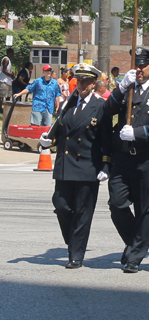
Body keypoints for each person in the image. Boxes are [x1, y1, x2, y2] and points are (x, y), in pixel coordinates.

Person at [103, 47, 149, 273]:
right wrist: (120, 87)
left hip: (146, 158)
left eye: (143, 65)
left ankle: (135, 256)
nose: (139, 69)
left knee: (145, 209)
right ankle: (135, 242)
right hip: (122, 158)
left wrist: (138, 133)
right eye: (136, 65)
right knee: (117, 204)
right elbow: (107, 110)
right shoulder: (127, 89)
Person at [39, 63, 112, 269]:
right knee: (61, 206)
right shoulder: (67, 104)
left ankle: (76, 255)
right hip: (65, 166)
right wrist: (48, 141)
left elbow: (106, 139)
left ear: (93, 83)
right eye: (78, 80)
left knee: (82, 212)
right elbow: (60, 131)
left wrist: (106, 165)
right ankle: (73, 240)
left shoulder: (100, 106)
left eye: (86, 81)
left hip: (88, 167)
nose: (81, 84)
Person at [0, 48, 15, 112]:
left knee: (8, 96)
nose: (13, 54)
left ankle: (7, 109)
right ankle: (0, 109)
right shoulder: (6, 59)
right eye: (12, 53)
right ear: (10, 53)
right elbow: (4, 70)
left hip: (8, 81)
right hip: (4, 81)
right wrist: (10, 75)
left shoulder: (8, 59)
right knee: (2, 96)